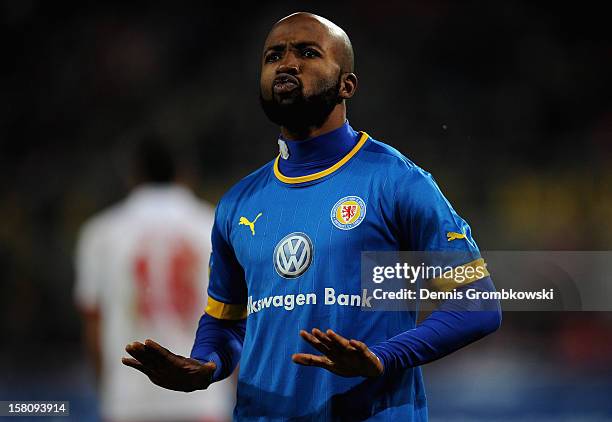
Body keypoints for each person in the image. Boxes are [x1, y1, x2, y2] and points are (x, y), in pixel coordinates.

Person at [121, 13, 501, 421]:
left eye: (307, 53)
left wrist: (381, 358)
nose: (286, 63)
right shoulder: (237, 204)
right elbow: (227, 323)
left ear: (346, 85)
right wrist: (207, 365)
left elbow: (476, 304)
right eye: (273, 56)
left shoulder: (397, 181)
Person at [75, 137, 234, 422]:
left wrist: (108, 390)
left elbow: (93, 325)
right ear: (185, 173)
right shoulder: (213, 226)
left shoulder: (102, 232)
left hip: (130, 401)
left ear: (134, 174)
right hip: (202, 400)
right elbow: (237, 319)